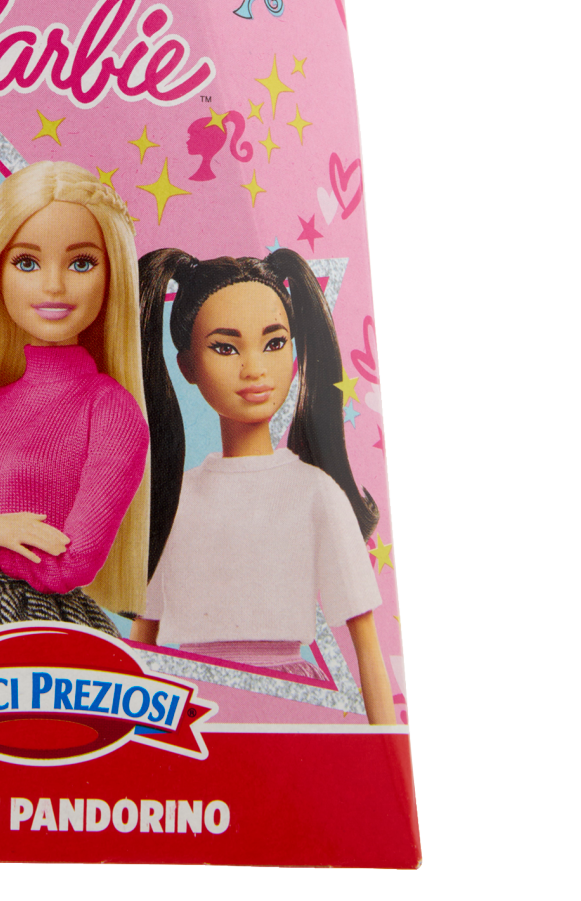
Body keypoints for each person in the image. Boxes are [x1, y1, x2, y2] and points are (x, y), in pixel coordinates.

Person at [128, 248, 397, 725]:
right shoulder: (174, 500)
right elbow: (140, 650)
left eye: (274, 343)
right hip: (186, 711)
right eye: (225, 348)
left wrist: (388, 756)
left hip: (287, 710)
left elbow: (367, 649)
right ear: (187, 366)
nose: (254, 369)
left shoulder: (316, 494)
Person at [0, 162, 153, 635]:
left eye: (81, 263)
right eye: (27, 262)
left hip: (42, 622)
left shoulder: (110, 411)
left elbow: (72, 560)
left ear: (112, 276)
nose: (53, 286)